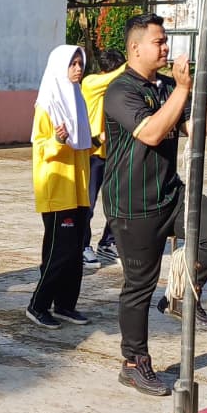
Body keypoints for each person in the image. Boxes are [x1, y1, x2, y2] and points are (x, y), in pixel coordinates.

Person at [102, 14, 207, 397]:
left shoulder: (168, 86)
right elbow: (153, 132)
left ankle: (185, 291)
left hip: (170, 193)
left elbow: (196, 127)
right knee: (138, 287)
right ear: (136, 47)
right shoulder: (121, 90)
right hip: (133, 204)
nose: (165, 47)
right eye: (159, 41)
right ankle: (134, 363)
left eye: (165, 40)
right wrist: (183, 89)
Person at [26, 45, 94, 330]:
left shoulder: (77, 99)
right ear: (59, 66)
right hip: (56, 188)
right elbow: (39, 146)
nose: (78, 68)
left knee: (75, 250)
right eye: (72, 64)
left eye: (80, 63)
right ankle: (37, 305)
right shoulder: (47, 103)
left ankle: (66, 304)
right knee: (59, 252)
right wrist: (57, 139)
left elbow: (83, 144)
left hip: (78, 188)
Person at [80, 48, 126, 266]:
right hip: (91, 154)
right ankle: (82, 246)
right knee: (87, 204)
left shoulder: (115, 89)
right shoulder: (91, 82)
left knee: (117, 202)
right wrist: (138, 61)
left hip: (112, 153)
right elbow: (115, 76)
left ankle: (108, 243)